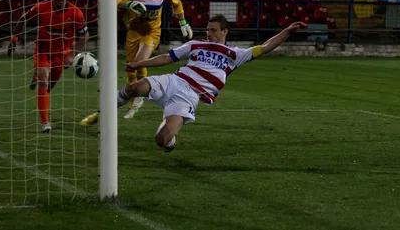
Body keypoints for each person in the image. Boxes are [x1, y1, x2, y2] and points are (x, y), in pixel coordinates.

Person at [80, 15, 306, 152]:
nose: (208, 33)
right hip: (174, 81)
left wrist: (286, 31)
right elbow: (167, 58)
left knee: (162, 140)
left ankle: (170, 139)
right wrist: (139, 65)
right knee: (134, 88)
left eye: (213, 30)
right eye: (207, 29)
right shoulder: (196, 44)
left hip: (189, 97)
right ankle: (101, 113)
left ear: (225, 31)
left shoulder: (236, 54)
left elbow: (265, 47)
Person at [113, 0, 193, 119]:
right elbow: (115, 1)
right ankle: (133, 103)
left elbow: (177, 4)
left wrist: (183, 22)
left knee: (139, 61)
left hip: (152, 32)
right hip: (134, 31)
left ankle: (139, 99)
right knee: (130, 67)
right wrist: (128, 4)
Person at [9, 0, 89, 132]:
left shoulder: (76, 12)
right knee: (44, 82)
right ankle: (45, 122)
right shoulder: (42, 8)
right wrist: (14, 39)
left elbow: (84, 36)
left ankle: (37, 77)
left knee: (49, 86)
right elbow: (23, 19)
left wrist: (71, 54)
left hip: (62, 54)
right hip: (43, 50)